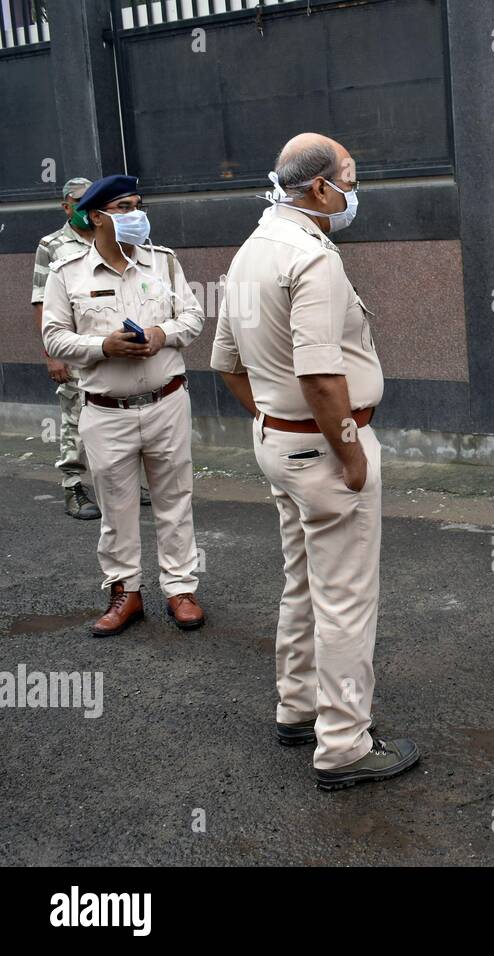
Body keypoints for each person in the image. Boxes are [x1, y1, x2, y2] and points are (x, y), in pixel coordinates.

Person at [211, 132, 419, 791]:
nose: (355, 191)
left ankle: (297, 707)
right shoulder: (311, 258)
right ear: (322, 188)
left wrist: (276, 424)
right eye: (350, 178)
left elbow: (225, 364)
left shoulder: (251, 251)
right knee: (346, 603)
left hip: (281, 445)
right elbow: (323, 376)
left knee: (303, 582)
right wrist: (350, 457)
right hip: (330, 451)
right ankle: (344, 746)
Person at [41, 175, 206, 637]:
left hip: (167, 402)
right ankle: (124, 591)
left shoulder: (164, 263)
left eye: (138, 204)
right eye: (124, 207)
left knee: (175, 501)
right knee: (117, 509)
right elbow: (53, 336)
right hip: (105, 409)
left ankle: (180, 589)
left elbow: (192, 317)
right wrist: (103, 346)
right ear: (96, 216)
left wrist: (161, 335)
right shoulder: (66, 271)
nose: (136, 214)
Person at [31, 177, 98, 519]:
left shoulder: (109, 234)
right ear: (66, 205)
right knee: (76, 414)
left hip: (109, 345)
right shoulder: (52, 244)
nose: (88, 207)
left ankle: (119, 481)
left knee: (116, 414)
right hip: (71, 346)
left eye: (94, 200)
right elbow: (41, 302)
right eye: (80, 201)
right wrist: (53, 354)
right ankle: (73, 485)